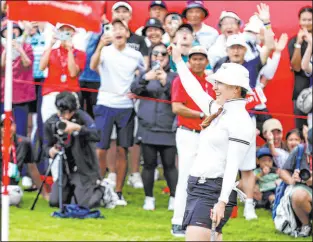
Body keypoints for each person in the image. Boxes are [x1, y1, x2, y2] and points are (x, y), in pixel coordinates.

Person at [170, 44, 256, 241]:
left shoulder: (241, 120)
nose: (214, 87)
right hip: (197, 186)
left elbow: (233, 166)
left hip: (214, 191)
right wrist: (178, 62)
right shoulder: (219, 110)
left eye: (220, 83)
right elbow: (194, 90)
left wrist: (222, 201)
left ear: (235, 89)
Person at [90, 19, 145, 206]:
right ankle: (97, 188)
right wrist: (99, 46)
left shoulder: (135, 55)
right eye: (115, 29)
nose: (118, 32)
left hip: (126, 107)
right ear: (110, 33)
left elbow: (144, 76)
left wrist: (137, 89)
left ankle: (119, 192)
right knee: (100, 149)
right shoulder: (105, 51)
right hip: (105, 103)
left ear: (128, 34)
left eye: (122, 29)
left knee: (123, 149)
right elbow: (92, 66)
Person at [170, 45, 215, 237]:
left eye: (201, 58)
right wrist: (202, 114)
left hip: (207, 134)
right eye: (194, 58)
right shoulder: (182, 79)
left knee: (205, 178)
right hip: (188, 133)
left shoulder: (212, 82)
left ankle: (200, 220)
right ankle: (178, 221)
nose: (197, 62)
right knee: (186, 178)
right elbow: (177, 108)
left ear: (207, 61)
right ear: (189, 61)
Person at [44, 92, 115, 209]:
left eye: (69, 113)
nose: (66, 117)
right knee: (55, 202)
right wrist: (51, 150)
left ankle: (103, 190)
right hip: (66, 169)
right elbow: (45, 147)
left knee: (82, 205)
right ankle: (75, 191)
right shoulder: (51, 122)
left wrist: (78, 128)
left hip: (85, 169)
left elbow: (97, 135)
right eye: (62, 113)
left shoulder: (82, 117)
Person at [130, 43, 178, 211]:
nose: (159, 57)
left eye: (163, 54)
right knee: (148, 164)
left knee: (169, 165)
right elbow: (134, 89)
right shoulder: (145, 74)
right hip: (147, 127)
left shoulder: (174, 77)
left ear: (168, 57)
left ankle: (174, 198)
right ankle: (149, 198)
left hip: (168, 128)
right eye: (155, 53)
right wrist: (145, 78)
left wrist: (165, 81)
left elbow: (177, 96)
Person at [39, 23, 86, 123]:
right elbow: (41, 67)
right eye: (62, 30)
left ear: (73, 33)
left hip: (70, 92)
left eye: (68, 30)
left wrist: (69, 50)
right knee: (49, 125)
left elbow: (73, 73)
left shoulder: (79, 53)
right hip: (51, 93)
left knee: (70, 128)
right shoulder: (52, 51)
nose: (65, 32)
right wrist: (51, 44)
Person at [0, 114, 49, 205]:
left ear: (14, 126)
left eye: (9, 125)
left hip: (12, 188)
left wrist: (44, 194)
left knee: (15, 197)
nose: (7, 129)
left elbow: (33, 170)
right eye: (3, 126)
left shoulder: (24, 143)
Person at [1, 20, 35, 137]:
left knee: (21, 131)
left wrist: (19, 49)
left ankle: (21, 154)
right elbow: (2, 66)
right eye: (8, 30)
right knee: (4, 130)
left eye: (14, 29)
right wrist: (6, 49)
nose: (11, 32)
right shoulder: (1, 47)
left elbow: (27, 64)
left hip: (22, 96)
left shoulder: (27, 46)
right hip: (3, 95)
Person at [279, 128, 312, 237]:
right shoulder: (300, 150)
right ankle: (306, 224)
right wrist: (291, 179)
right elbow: (283, 171)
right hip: (305, 190)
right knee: (298, 195)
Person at [288, 6, 312, 131]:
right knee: (302, 132)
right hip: (301, 94)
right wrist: (299, 43)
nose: (307, 23)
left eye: (310, 20)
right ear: (299, 21)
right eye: (304, 20)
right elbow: (296, 68)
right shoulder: (293, 41)